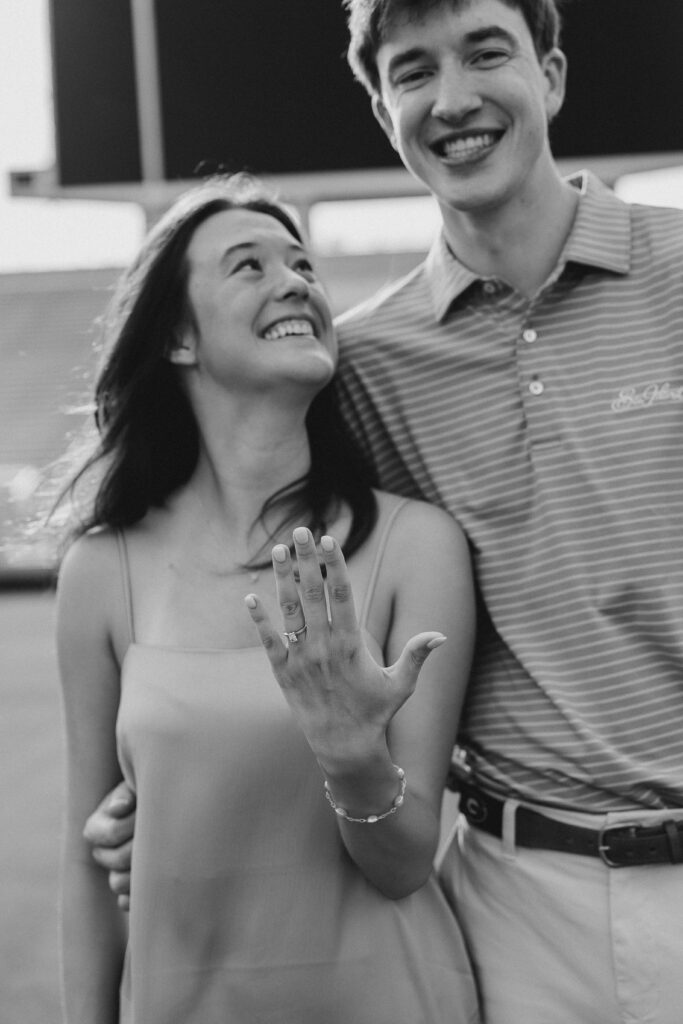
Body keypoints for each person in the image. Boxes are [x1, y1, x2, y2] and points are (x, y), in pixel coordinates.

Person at [85, 1, 683, 1021]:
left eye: (484, 53)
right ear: (380, 107)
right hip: (515, 901)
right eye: (412, 72)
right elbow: (245, 557)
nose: (451, 99)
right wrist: (172, 794)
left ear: (550, 75)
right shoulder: (356, 364)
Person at [55, 174, 481, 1024]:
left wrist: (349, 749)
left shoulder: (415, 546)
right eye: (247, 266)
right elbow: (86, 864)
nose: (295, 281)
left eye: (302, 265)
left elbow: (401, 862)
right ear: (177, 335)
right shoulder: (102, 571)